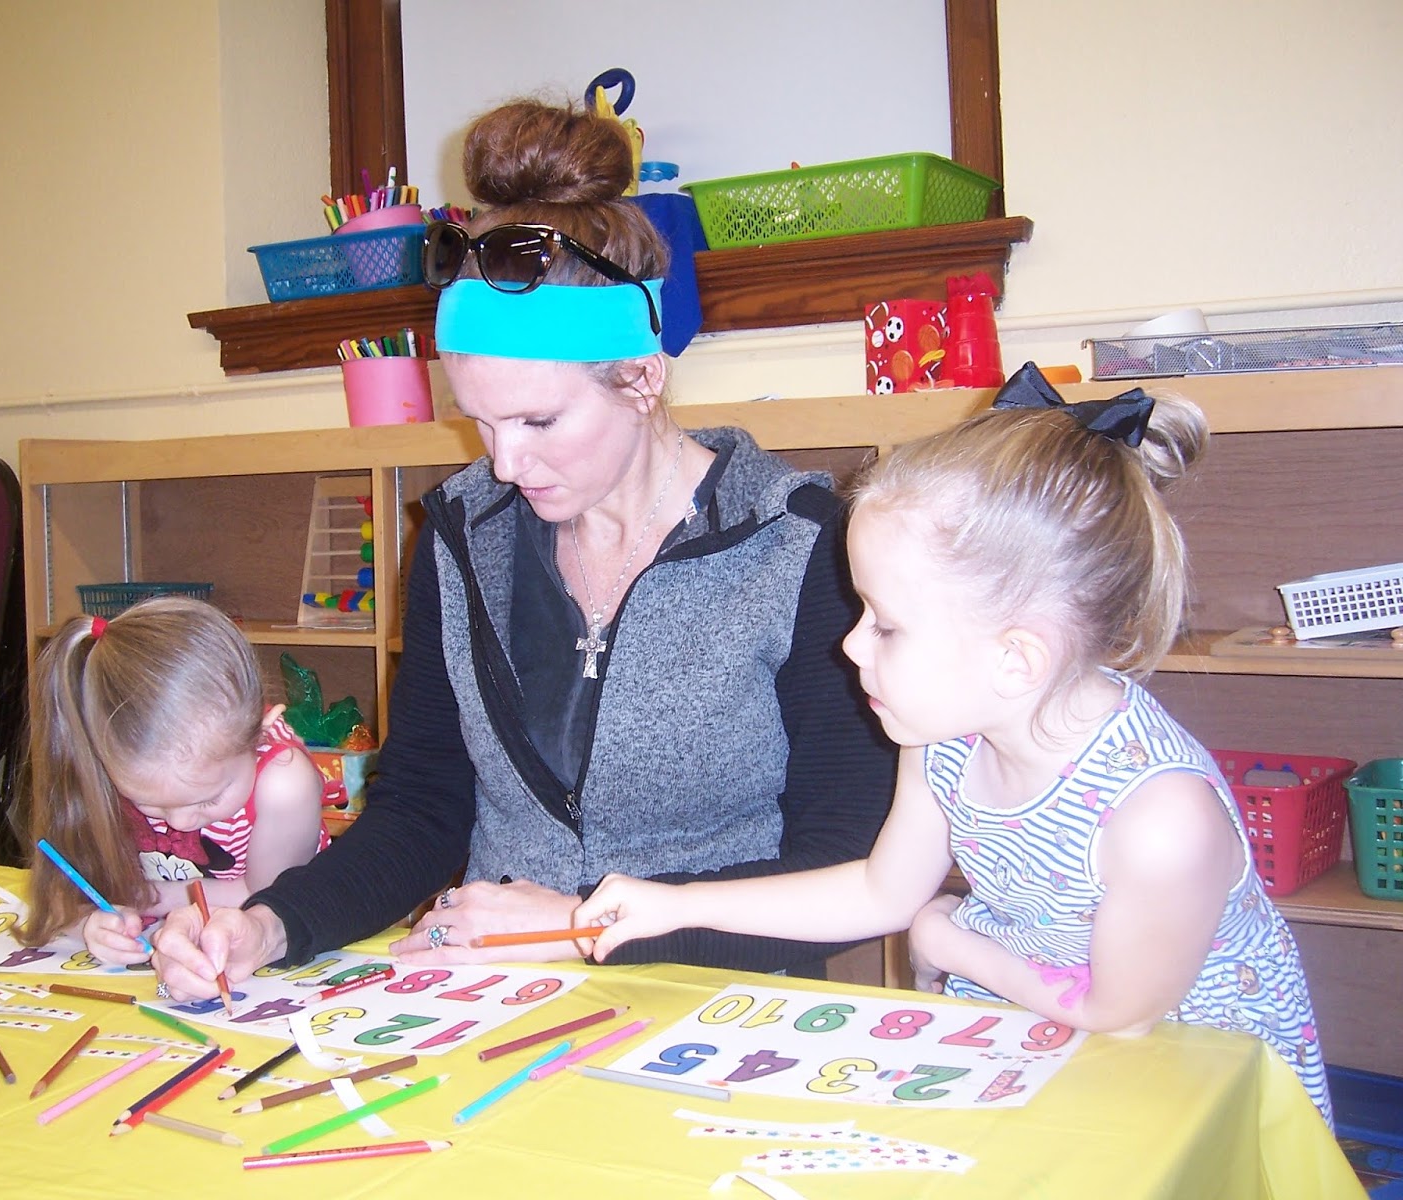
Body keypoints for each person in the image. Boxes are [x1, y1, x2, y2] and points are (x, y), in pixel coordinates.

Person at [149, 96, 895, 995]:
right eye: (480, 423)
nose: (504, 464)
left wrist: (585, 931)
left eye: (539, 419)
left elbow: (843, 859)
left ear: (643, 376)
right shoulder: (464, 537)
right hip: (498, 998)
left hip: (720, 1006)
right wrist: (271, 925)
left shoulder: (796, 545)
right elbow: (423, 806)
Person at [575, 364, 1332, 1124]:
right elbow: (879, 890)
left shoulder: (1160, 819)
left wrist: (949, 935)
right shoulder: (947, 739)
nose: (851, 646)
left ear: (1016, 659)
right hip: (1046, 1029)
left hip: (1193, 1075)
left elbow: (1120, 1012)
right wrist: (673, 904)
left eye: (887, 625)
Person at [14, 596, 329, 964]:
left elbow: (270, 899)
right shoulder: (104, 771)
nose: (178, 822)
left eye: (208, 800)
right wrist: (89, 923)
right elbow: (60, 893)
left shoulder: (283, 783)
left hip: (273, 958)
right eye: (149, 804)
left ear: (257, 735)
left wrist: (144, 897)